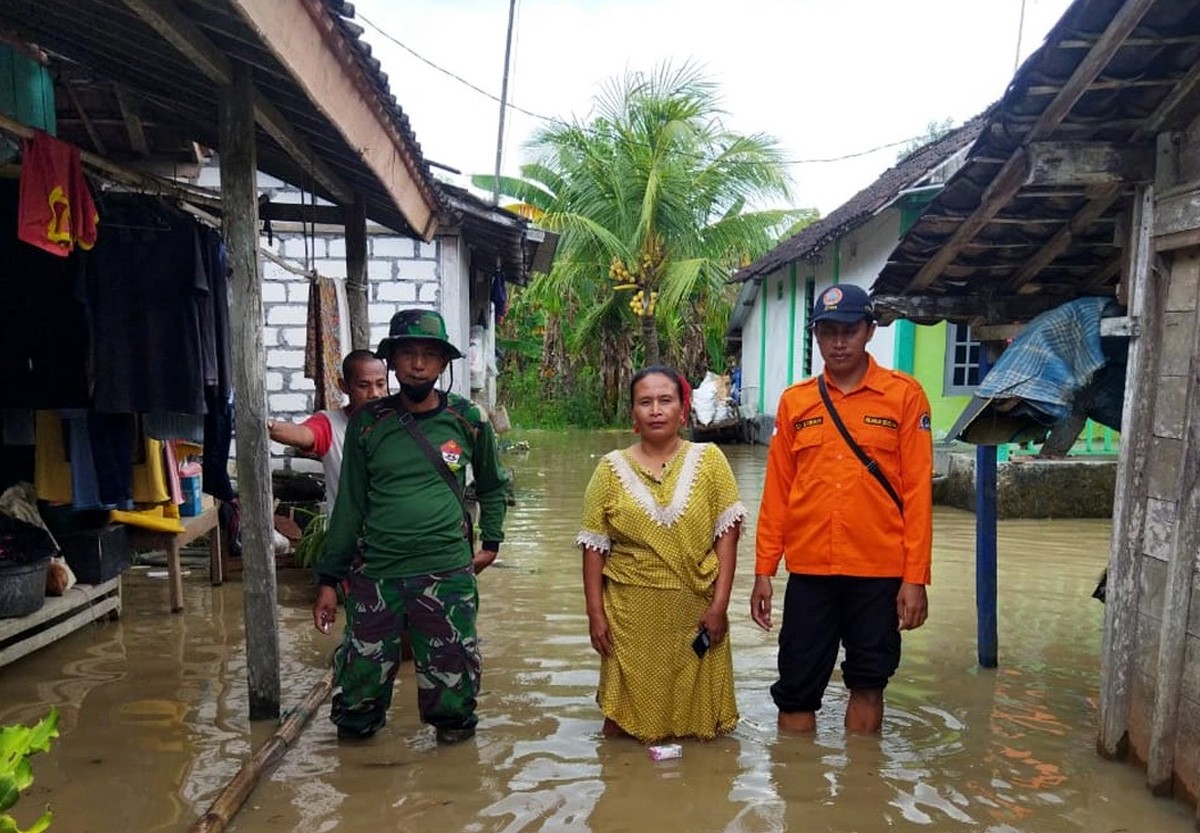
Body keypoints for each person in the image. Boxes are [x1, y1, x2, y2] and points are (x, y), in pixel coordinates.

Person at [312, 309, 509, 744]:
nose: (418, 364)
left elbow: (493, 485)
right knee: (358, 699)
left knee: (453, 702)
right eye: (407, 354)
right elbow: (349, 506)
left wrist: (492, 542)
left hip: (447, 574)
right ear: (392, 361)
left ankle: (454, 778)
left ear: (443, 363)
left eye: (429, 355)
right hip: (377, 575)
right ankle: (359, 776)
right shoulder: (368, 423)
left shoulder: (469, 419)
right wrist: (329, 579)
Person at [750, 284, 933, 734]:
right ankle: (797, 778)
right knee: (796, 688)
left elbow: (917, 495)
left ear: (869, 331)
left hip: (879, 571)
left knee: (869, 682)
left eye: (848, 331)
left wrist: (915, 578)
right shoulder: (796, 401)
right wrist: (764, 570)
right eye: (827, 332)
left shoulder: (904, 396)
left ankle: (863, 774)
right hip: (810, 570)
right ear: (816, 336)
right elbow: (777, 493)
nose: (838, 343)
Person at [577, 365, 746, 742]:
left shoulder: (710, 460)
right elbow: (593, 548)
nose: (655, 410)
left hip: (697, 613)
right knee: (620, 725)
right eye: (645, 402)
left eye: (665, 400)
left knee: (700, 727)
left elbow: (728, 538)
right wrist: (595, 615)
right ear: (633, 414)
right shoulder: (609, 470)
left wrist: (719, 606)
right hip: (629, 618)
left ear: (683, 410)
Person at [267, 350, 387, 510]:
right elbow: (302, 434)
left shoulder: (399, 422)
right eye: (363, 386)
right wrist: (267, 425)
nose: (375, 394)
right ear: (344, 386)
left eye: (380, 384)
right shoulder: (330, 424)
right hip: (350, 525)